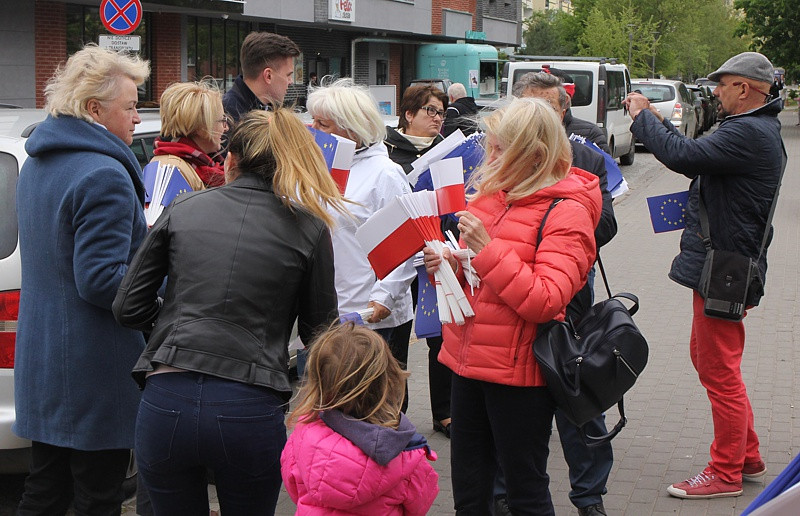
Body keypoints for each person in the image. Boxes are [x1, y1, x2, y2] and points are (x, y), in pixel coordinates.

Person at [112, 109, 346, 515]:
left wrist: (170, 323)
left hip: (167, 395)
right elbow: (320, 333)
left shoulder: (184, 208)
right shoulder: (309, 228)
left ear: (229, 160)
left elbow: (128, 305)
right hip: (249, 404)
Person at [424, 97, 602, 515]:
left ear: (535, 154)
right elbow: (480, 281)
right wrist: (447, 265)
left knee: (524, 490)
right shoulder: (490, 197)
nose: (490, 156)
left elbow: (546, 300)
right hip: (467, 364)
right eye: (492, 144)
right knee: (470, 488)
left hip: (519, 378)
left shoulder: (567, 212)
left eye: (501, 148)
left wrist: (485, 252)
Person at [624, 51, 785, 499]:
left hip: (727, 268)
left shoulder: (750, 131)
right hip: (728, 265)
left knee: (719, 370)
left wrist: (643, 117)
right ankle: (746, 456)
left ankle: (726, 472)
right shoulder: (754, 128)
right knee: (710, 359)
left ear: (745, 89)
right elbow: (694, 155)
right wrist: (655, 120)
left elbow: (683, 156)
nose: (715, 91)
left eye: (722, 84)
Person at [13, 45, 149, 515]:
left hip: (45, 359)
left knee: (46, 488)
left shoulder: (37, 163)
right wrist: (167, 294)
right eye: (130, 106)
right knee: (97, 496)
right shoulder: (103, 174)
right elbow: (100, 280)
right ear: (95, 109)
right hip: (95, 367)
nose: (137, 117)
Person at [509, 71, 617, 516]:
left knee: (577, 398)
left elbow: (607, 224)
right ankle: (505, 493)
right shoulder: (499, 152)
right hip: (509, 301)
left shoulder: (586, 154)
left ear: (563, 111)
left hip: (569, 297)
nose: (537, 120)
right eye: (526, 109)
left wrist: (560, 226)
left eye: (547, 109)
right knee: (511, 408)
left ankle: (589, 498)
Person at [281, 323, 440, 514]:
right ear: (386, 381)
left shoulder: (302, 433)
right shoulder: (407, 454)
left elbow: (293, 486)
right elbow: (421, 502)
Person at [307, 79, 415, 348]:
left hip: (368, 317)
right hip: (322, 311)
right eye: (313, 121)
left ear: (351, 129)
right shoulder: (316, 168)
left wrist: (384, 299)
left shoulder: (385, 174)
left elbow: (404, 246)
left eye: (323, 124)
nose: (313, 130)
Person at [384, 84, 451, 425]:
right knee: (398, 338)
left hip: (438, 252)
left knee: (442, 334)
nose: (437, 119)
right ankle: (397, 413)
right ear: (408, 114)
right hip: (402, 258)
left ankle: (445, 412)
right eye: (430, 111)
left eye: (441, 112)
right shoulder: (388, 153)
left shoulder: (447, 151)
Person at [151, 81, 227, 189]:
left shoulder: (205, 164)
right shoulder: (171, 169)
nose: (226, 127)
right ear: (201, 127)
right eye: (222, 120)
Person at [222, 31, 300, 121]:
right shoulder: (228, 119)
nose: (291, 81)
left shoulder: (269, 110)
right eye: (288, 75)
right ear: (268, 76)